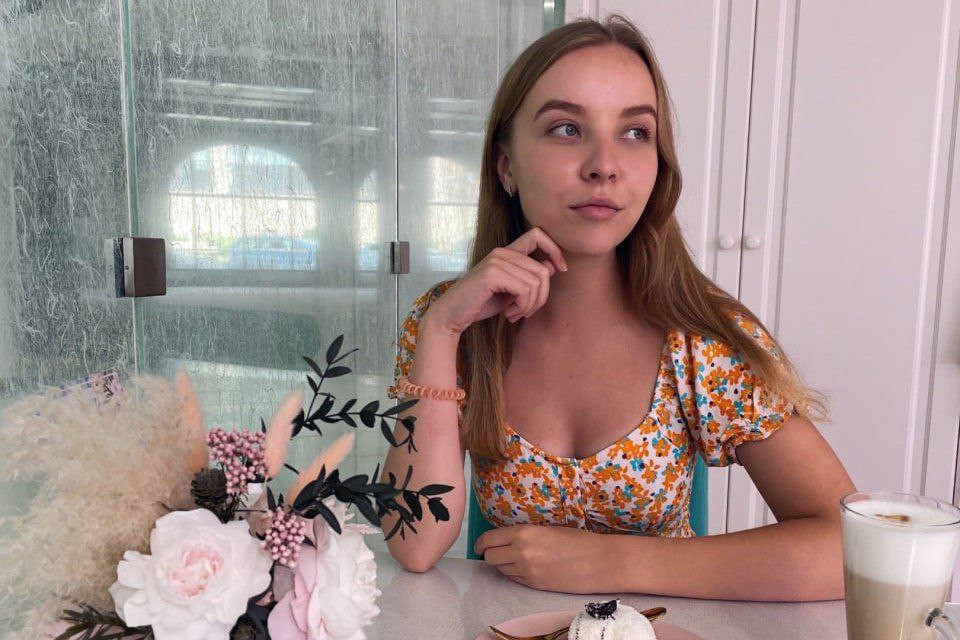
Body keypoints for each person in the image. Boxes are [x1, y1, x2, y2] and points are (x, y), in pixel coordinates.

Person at [380, 13, 855, 602]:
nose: (605, 165)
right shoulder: (452, 322)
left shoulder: (702, 340)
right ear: (506, 166)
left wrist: (610, 561)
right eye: (566, 129)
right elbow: (415, 546)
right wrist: (441, 330)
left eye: (635, 132)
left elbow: (845, 549)